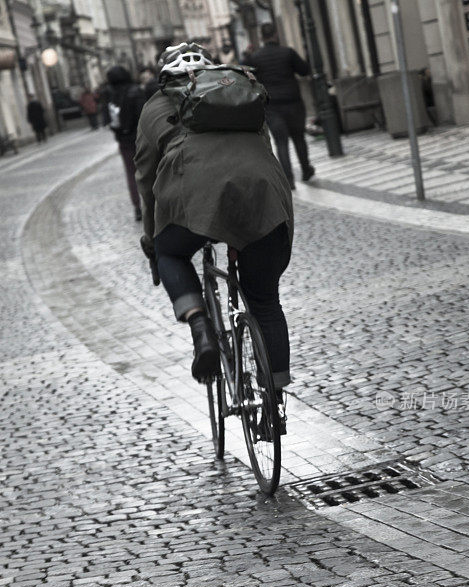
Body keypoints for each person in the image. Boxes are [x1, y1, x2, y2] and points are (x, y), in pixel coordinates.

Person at [134, 43, 293, 412]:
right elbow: (263, 145)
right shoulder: (238, 92)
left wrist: (151, 235)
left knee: (171, 252)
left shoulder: (154, 108)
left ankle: (201, 328)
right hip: (261, 197)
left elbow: (145, 177)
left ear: (164, 77)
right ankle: (276, 393)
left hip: (192, 201)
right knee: (265, 300)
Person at [247, 22, 315, 190]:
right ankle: (306, 170)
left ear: (262, 37)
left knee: (281, 142)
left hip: (272, 106)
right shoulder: (288, 53)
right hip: (293, 102)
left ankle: (289, 180)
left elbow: (251, 81)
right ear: (276, 35)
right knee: (299, 137)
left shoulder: (256, 58)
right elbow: (304, 70)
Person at [107, 66, 145, 221]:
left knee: (131, 174)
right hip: (142, 139)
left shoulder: (112, 96)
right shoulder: (136, 91)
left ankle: (137, 207)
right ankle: (155, 204)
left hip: (125, 140)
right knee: (151, 171)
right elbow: (144, 115)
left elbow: (110, 120)